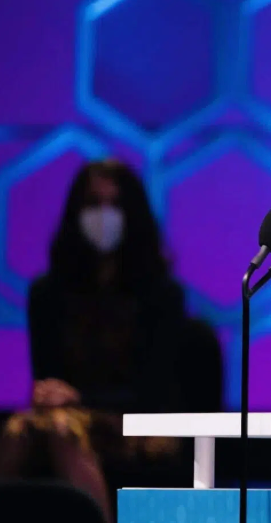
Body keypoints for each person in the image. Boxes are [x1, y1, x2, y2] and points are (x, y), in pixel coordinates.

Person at [0, 159, 191, 519]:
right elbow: (47, 377)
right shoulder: (47, 294)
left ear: (133, 214)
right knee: (17, 429)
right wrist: (52, 395)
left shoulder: (162, 296)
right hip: (67, 417)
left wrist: (79, 398)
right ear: (76, 213)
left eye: (114, 205)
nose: (104, 216)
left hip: (140, 421)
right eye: (93, 205)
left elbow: (153, 388)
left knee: (62, 429)